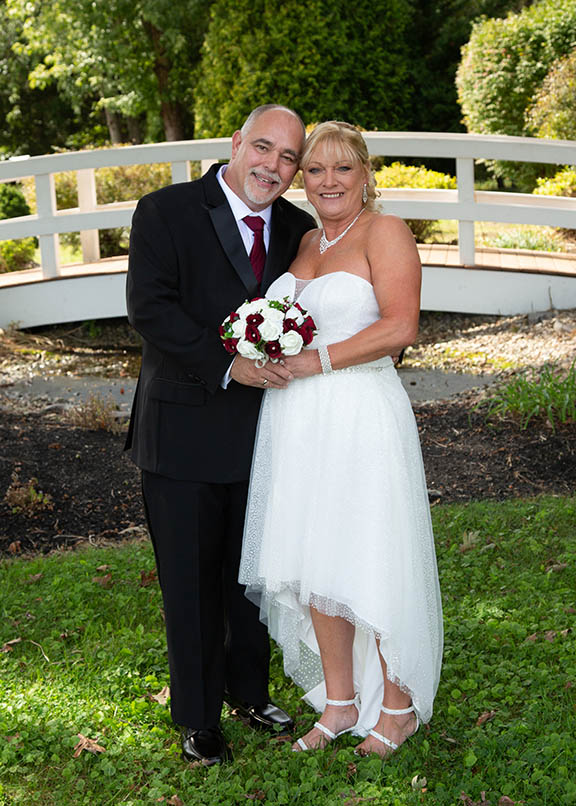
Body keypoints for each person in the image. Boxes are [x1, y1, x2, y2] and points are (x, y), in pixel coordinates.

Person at [239, 121, 443, 757]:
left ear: (365, 175)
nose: (328, 181)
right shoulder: (302, 241)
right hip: (297, 424)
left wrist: (315, 362)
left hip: (359, 416)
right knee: (312, 560)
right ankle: (339, 701)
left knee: (367, 552)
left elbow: (400, 326)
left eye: (342, 169)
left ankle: (400, 705)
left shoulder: (386, 233)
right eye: (316, 170)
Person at [125, 104, 317, 766]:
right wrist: (227, 362)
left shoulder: (298, 229)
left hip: (268, 435)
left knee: (253, 577)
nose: (273, 165)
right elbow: (150, 309)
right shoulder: (165, 211)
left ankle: (250, 692)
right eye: (262, 148)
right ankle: (198, 717)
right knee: (192, 581)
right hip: (181, 433)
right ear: (236, 144)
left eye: (288, 157)